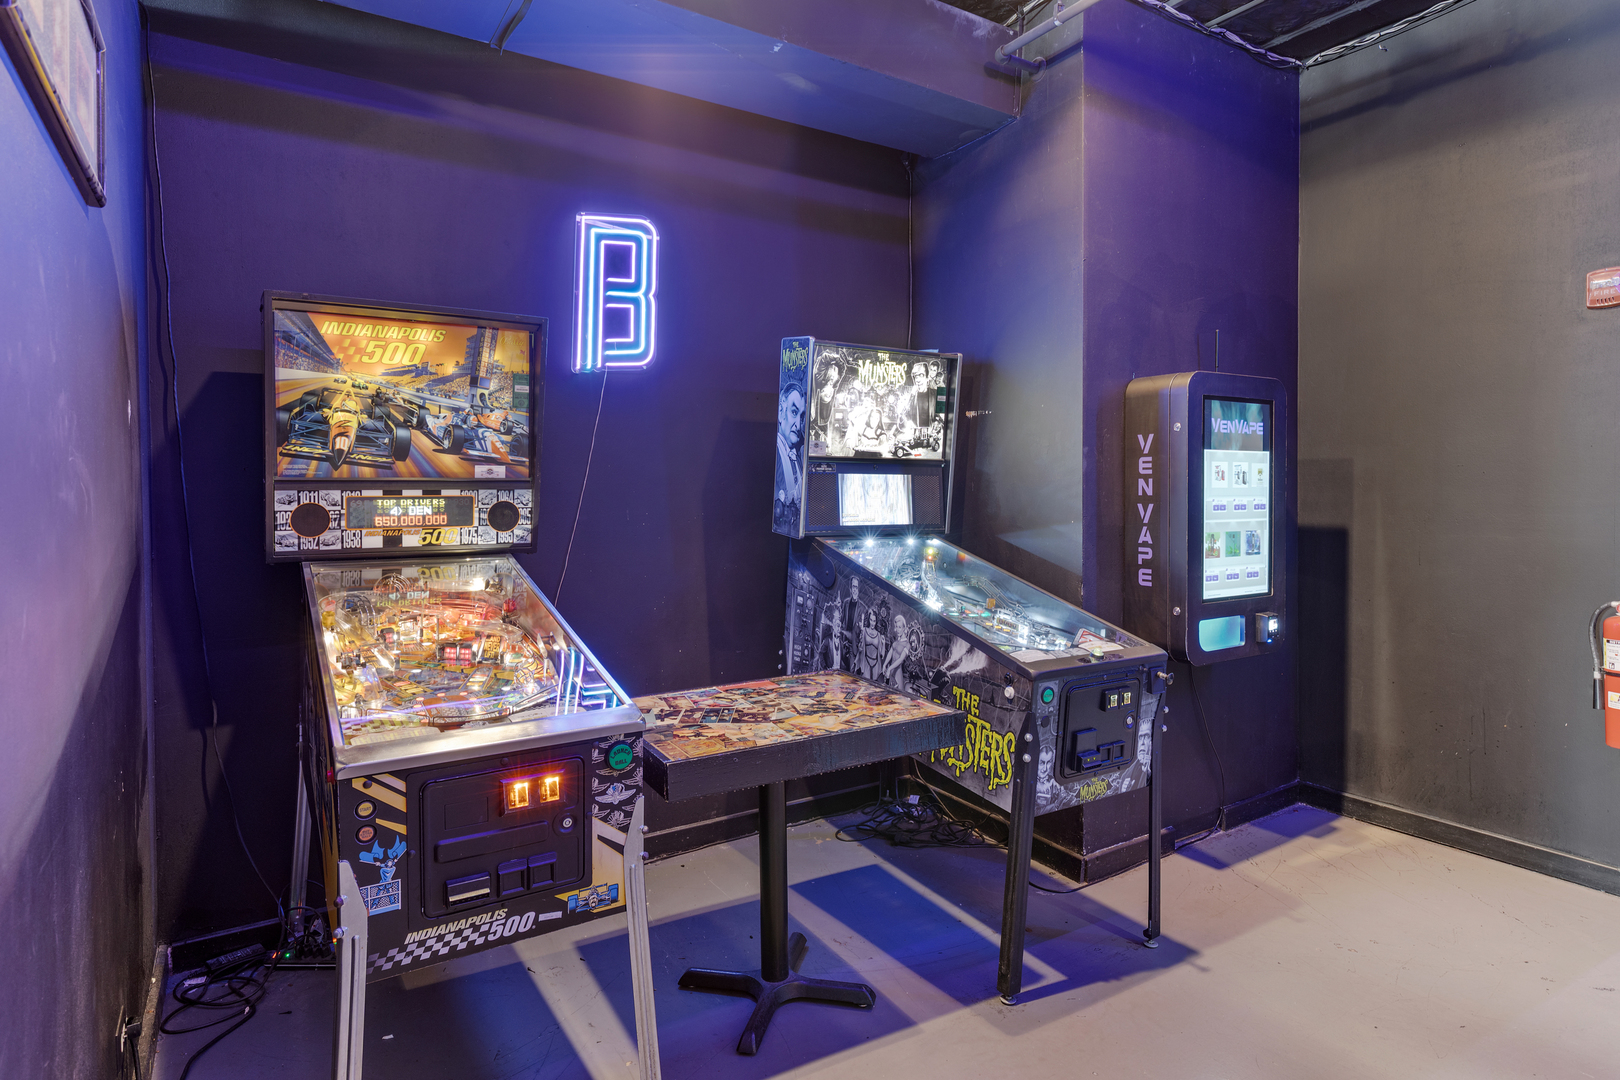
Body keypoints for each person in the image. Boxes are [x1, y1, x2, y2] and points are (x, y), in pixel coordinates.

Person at [773, 383, 806, 532]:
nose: (798, 425)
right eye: (794, 412)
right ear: (781, 411)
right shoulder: (774, 454)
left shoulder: (798, 459)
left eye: (802, 417)